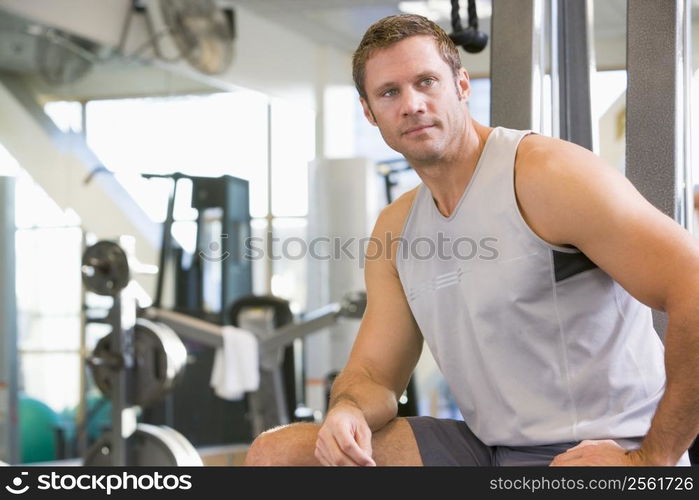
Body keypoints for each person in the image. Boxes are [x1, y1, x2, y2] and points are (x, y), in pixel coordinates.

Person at [244, 14, 698, 466]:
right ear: (369, 111)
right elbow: (374, 374)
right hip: (489, 451)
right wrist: (347, 408)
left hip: (602, 447)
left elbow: (693, 288)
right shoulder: (397, 227)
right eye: (390, 92)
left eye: (427, 82)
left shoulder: (546, 175)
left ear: (461, 85)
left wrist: (651, 459)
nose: (412, 104)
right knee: (277, 453)